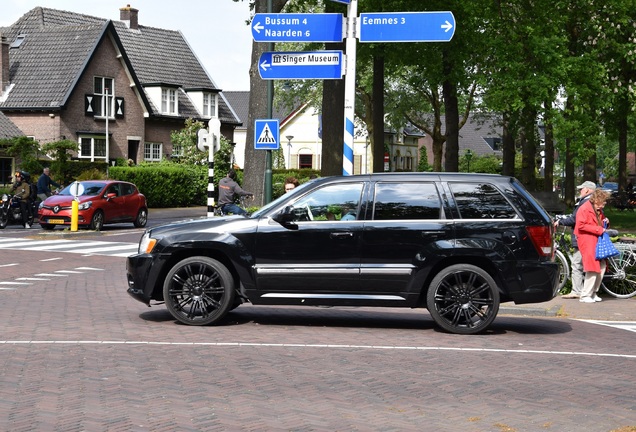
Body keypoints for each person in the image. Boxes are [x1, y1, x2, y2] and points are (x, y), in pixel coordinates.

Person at [574, 189, 618, 303]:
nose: (605, 204)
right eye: (603, 201)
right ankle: (585, 295)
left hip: (595, 240)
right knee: (592, 267)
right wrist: (600, 229)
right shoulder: (584, 209)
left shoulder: (597, 209)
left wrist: (606, 222)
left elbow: (599, 222)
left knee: (602, 266)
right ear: (597, 200)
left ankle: (593, 292)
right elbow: (581, 226)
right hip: (587, 240)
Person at [555, 180, 596, 299]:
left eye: (581, 189)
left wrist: (560, 221)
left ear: (587, 190)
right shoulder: (591, 201)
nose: (580, 191)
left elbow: (576, 219)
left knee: (576, 264)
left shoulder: (585, 202)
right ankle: (587, 291)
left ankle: (577, 290)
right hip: (587, 237)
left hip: (581, 238)